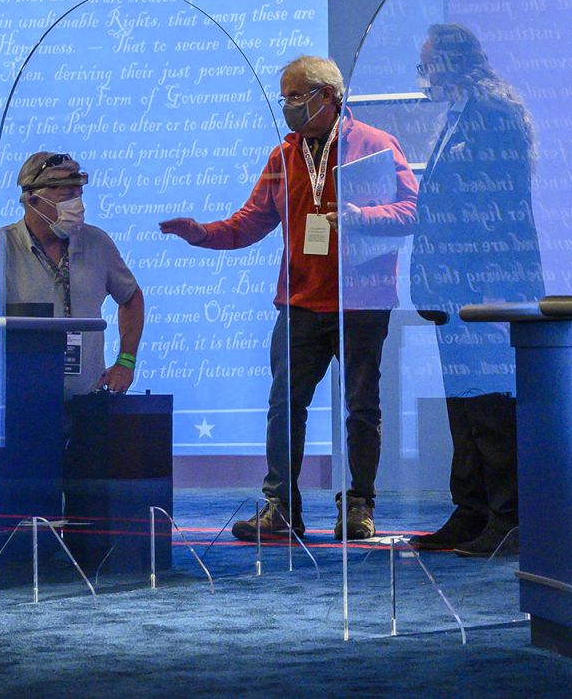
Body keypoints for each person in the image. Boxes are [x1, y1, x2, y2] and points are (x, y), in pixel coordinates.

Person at [160, 55, 417, 542]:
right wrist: (202, 234)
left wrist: (363, 216)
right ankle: (281, 506)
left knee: (362, 406)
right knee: (284, 406)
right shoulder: (283, 156)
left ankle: (358, 506)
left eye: (297, 96)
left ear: (330, 96)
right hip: (299, 302)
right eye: (285, 98)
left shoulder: (376, 147)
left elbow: (410, 209)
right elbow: (249, 223)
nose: (288, 107)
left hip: (362, 301)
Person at [406, 24, 545, 557]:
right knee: (463, 404)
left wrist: (468, 278)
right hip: (454, 285)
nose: (423, 79)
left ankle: (508, 515)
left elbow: (495, 209)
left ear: (451, 62)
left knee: (489, 403)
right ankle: (472, 509)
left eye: (427, 67)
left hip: (486, 283)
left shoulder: (492, 113)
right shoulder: (460, 114)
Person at [0, 151, 144, 398]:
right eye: (66, 197)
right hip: (19, 404)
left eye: (79, 195)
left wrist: (126, 362)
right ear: (33, 199)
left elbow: (131, 298)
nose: (77, 206)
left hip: (88, 405)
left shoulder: (97, 243)